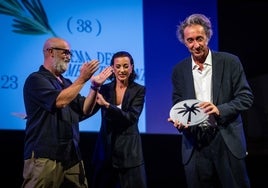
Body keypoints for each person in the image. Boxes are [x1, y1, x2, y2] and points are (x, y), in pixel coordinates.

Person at [168, 14, 254, 188]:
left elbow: (246, 97)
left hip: (226, 138)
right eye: (190, 40)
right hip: (195, 142)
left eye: (200, 38)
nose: (196, 45)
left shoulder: (229, 62)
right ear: (184, 42)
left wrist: (219, 109)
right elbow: (178, 103)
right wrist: (181, 122)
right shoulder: (179, 70)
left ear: (208, 36)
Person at [22, 37, 112, 188]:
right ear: (50, 52)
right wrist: (83, 78)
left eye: (70, 53)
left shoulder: (66, 83)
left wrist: (95, 87)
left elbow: (85, 109)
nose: (68, 56)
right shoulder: (36, 80)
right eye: (65, 52)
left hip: (71, 156)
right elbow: (60, 101)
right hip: (45, 156)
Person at [90, 51, 147, 188]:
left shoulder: (139, 90)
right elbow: (87, 110)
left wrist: (107, 105)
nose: (122, 70)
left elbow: (131, 118)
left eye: (126, 66)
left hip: (130, 154)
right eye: (118, 66)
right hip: (106, 151)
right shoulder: (104, 89)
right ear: (112, 68)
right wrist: (94, 87)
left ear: (132, 67)